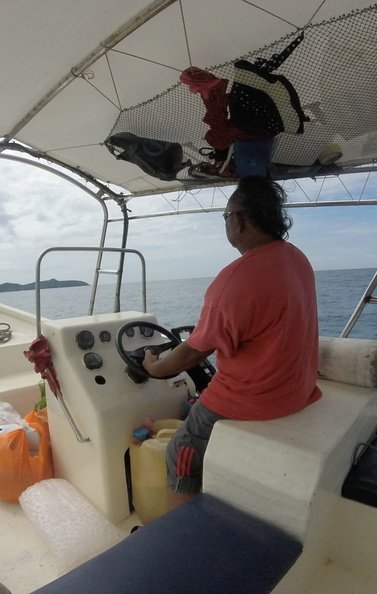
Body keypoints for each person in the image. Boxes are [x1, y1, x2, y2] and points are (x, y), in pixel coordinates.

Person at [143, 176, 321, 508]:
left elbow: (191, 352)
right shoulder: (296, 258)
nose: (226, 223)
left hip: (256, 399)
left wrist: (154, 368)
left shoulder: (235, 280)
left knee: (180, 450)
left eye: (225, 217)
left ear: (238, 220)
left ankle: (179, 541)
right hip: (297, 391)